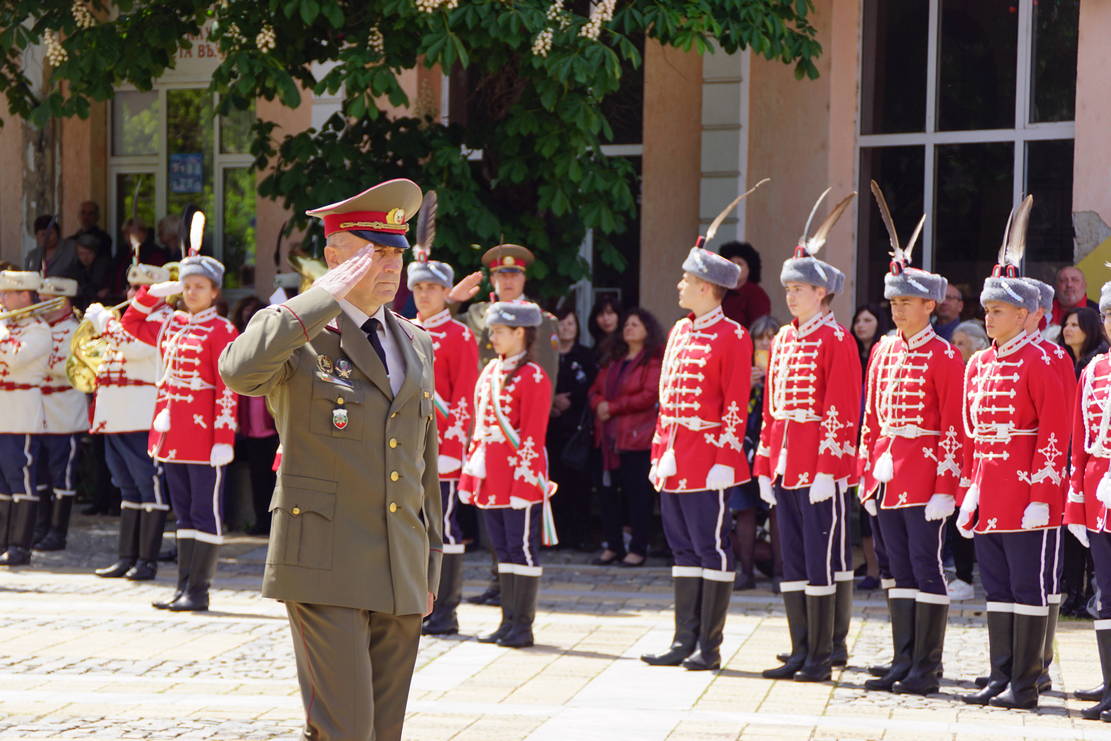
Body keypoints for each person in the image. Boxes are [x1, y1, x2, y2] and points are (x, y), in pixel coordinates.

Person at [219, 178, 442, 741]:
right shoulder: (301, 334)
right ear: (334, 257)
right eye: (373, 252)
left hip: (401, 563)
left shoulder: (415, 341)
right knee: (344, 730)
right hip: (325, 560)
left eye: (395, 252)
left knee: (383, 731)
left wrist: (431, 563)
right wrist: (317, 300)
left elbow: (423, 462)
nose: (389, 266)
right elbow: (237, 370)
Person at [958, 197, 1069, 710]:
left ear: (1024, 314)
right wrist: (970, 490)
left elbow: (1054, 430)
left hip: (1029, 494)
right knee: (997, 589)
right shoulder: (979, 364)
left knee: (1029, 589)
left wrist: (1044, 494)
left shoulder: (1046, 358)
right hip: (992, 493)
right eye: (987, 310)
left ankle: (1027, 682)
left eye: (997, 310)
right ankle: (1000, 673)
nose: (989, 318)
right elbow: (973, 433)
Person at [856, 186, 964, 696]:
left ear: (929, 305)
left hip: (924, 475)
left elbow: (953, 427)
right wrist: (865, 472)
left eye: (907, 302)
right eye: (893, 301)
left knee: (925, 567)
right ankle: (902, 658)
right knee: (895, 568)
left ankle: (927, 665)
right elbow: (870, 419)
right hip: (886, 474)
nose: (898, 310)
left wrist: (947, 485)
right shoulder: (880, 351)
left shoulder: (944, 357)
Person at [756, 190, 861, 683]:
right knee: (792, 561)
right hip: (785, 466)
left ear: (821, 293)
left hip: (819, 468)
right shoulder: (783, 340)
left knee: (822, 561)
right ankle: (800, 648)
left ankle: (822, 654)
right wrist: (764, 465)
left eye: (798, 289)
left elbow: (841, 411)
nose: (790, 295)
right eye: (788, 288)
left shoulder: (836, 339)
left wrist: (828, 469)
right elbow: (773, 410)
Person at [640, 243, 752, 672]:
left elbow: (734, 403)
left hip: (710, 459)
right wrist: (658, 453)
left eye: (686, 280)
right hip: (675, 458)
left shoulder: (733, 336)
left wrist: (726, 457)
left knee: (711, 548)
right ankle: (682, 639)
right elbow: (666, 403)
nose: (679, 285)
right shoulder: (679, 332)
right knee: (682, 548)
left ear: (706, 287)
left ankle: (710, 645)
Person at [122, 252, 239, 612]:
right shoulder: (172, 324)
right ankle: (182, 587)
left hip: (204, 439)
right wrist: (153, 292)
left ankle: (199, 590)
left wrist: (223, 438)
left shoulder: (223, 331)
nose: (190, 293)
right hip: (172, 437)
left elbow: (227, 389)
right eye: (187, 286)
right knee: (183, 513)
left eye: (198, 287)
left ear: (214, 292)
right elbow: (131, 322)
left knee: (205, 512)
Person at [458, 300, 555, 649]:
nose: (492, 337)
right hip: (492, 477)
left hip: (519, 479)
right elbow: (478, 430)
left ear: (520, 333)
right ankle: (506, 622)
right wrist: (471, 477)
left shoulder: (534, 376)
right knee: (501, 549)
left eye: (499, 331)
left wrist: (523, 484)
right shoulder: (489, 373)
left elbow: (532, 436)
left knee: (521, 549)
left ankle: (522, 625)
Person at [409, 254, 480, 637]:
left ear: (445, 292)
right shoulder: (402, 329)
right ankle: (417, 603)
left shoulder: (459, 335)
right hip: (406, 446)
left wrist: (456, 445)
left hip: (443, 447)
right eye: (418, 287)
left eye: (432, 288)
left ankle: (445, 610)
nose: (424, 294)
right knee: (414, 528)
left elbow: (466, 395)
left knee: (444, 529)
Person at [89, 264, 173, 580]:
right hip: (115, 414)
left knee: (148, 485)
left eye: (142, 289)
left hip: (141, 414)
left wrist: (105, 323)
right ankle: (127, 557)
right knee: (127, 488)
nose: (133, 295)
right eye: (131, 288)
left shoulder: (163, 320)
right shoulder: (126, 322)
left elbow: (135, 347)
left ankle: (147, 561)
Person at [1064, 279, 1111, 720]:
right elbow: (1080, 442)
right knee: (1105, 592)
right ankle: (1110, 682)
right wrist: (1075, 501)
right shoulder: (1095, 370)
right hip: (1098, 495)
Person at [589, 308, 664, 567]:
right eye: (627, 324)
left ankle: (638, 548)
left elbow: (649, 395)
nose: (629, 328)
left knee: (637, 496)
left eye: (635, 324)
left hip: (636, 439)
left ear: (647, 330)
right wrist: (599, 402)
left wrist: (613, 407)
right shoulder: (613, 360)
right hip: (607, 439)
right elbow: (594, 389)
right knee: (608, 494)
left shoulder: (652, 361)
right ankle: (613, 546)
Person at [31, 277, 88, 553]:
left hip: (64, 412)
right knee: (38, 473)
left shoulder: (77, 330)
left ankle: (58, 532)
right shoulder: (38, 328)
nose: (40, 305)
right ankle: (41, 527)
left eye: (46, 300)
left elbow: (64, 367)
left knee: (61, 475)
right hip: (37, 411)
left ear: (63, 302)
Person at [448, 244, 559, 385]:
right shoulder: (476, 313)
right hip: (481, 397)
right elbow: (441, 330)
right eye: (502, 275)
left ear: (524, 278)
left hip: (517, 401)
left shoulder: (541, 320)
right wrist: (452, 301)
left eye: (514, 275)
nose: (508, 281)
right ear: (493, 279)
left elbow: (546, 377)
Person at [0, 272, 51, 566]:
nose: (3, 300)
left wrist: (3, 328)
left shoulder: (39, 330)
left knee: (21, 477)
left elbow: (15, 358)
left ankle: (20, 546)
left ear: (24, 296)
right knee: (3, 482)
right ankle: (3, 541)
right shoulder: (9, 326)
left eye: (7, 294)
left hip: (22, 410)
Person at [732, 315, 781, 590]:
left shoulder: (788, 366)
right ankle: (746, 572)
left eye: (770, 336)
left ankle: (780, 572)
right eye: (760, 338)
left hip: (773, 448)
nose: (765, 343)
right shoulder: (742, 368)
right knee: (744, 510)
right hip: (744, 447)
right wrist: (745, 385)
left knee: (775, 509)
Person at [230, 297, 280, 537]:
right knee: (257, 478)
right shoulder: (239, 344)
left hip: (273, 427)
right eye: (245, 314)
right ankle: (261, 522)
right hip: (249, 428)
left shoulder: (273, 344)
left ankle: (274, 525)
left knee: (274, 479)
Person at [548, 307, 596, 552]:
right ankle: (556, 536)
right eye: (562, 324)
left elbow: (591, 388)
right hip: (552, 427)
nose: (566, 328)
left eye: (570, 324)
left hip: (577, 429)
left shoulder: (586, 355)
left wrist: (571, 400)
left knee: (580, 486)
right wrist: (552, 401)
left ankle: (581, 536)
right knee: (555, 483)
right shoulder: (548, 354)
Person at [720, 241, 771, 328]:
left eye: (740, 264)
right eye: (732, 262)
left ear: (749, 269)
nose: (735, 267)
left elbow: (759, 329)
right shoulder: (720, 291)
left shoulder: (756, 294)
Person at [24, 215, 80, 280]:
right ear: (36, 236)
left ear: (58, 233)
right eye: (43, 234)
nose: (47, 238)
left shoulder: (72, 248)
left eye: (50, 233)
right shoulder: (32, 256)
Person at [1060, 306, 1109, 376]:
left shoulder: (1100, 360)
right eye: (1066, 325)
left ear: (1089, 329)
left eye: (1074, 325)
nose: (1067, 329)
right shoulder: (1062, 358)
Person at [852, 304, 890, 382]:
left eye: (867, 320)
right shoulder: (852, 355)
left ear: (879, 323)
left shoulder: (888, 354)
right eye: (857, 321)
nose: (860, 325)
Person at [589, 294, 622, 361]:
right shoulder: (594, 350)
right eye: (601, 314)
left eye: (610, 313)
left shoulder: (627, 344)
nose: (606, 318)